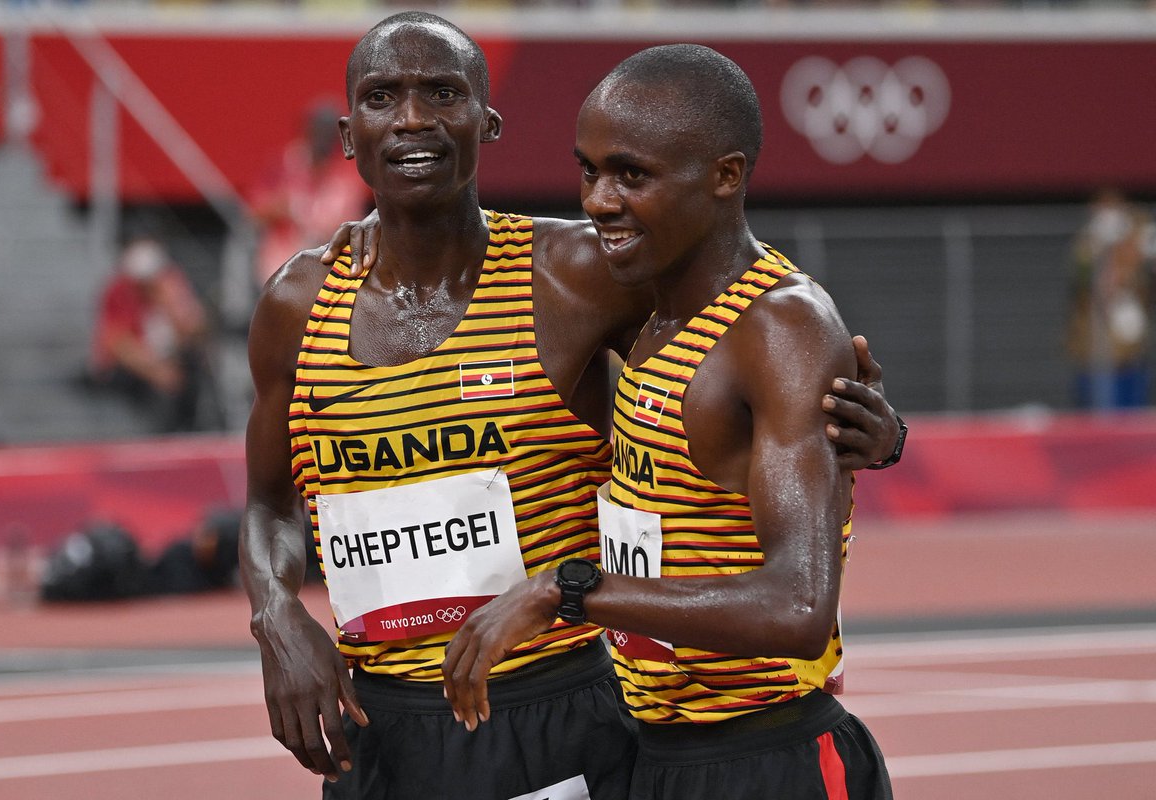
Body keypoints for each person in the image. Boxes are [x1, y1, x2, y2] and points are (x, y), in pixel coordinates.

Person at [240, 13, 902, 800]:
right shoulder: (297, 303)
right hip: (381, 721)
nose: (413, 119)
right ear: (350, 135)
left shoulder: (583, 272)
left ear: (487, 123)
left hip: (560, 710)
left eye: (442, 93)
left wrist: (874, 429)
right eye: (384, 98)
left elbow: (736, 304)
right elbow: (269, 498)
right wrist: (277, 613)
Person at [439, 46, 893, 798]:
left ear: (725, 175)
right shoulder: (649, 307)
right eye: (588, 170)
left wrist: (567, 590)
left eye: (632, 175)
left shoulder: (778, 328)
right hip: (658, 751)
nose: (598, 200)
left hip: (765, 758)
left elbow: (799, 605)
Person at [89, 234, 210, 433]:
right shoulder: (119, 291)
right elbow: (117, 343)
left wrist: (173, 306)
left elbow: (195, 330)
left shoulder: (172, 283)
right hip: (133, 370)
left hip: (169, 360)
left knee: (194, 365)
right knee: (161, 389)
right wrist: (157, 372)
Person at [249, 101, 371, 291]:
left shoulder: (349, 175)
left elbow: (352, 225)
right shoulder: (285, 164)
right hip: (279, 263)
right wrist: (279, 208)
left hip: (327, 266)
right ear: (307, 131)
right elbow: (254, 212)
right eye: (319, 131)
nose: (323, 140)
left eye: (329, 134)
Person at [1067, 188, 1153, 409]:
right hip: (1094, 357)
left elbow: (1141, 275)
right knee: (1096, 418)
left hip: (1130, 358)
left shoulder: (1137, 239)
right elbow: (1083, 278)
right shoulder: (1087, 243)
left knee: (1131, 417)